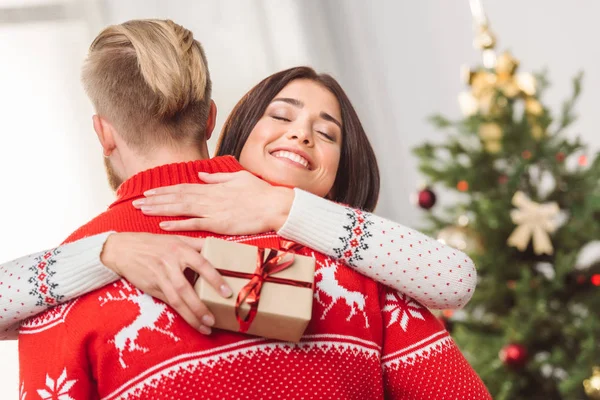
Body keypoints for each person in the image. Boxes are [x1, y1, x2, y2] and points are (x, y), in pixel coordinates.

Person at [16, 19, 490, 399]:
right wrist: (107, 249)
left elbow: (454, 277)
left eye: (326, 133)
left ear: (104, 134)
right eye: (282, 116)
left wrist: (101, 249)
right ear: (212, 118)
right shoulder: (359, 269)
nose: (301, 136)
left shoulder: (57, 302)